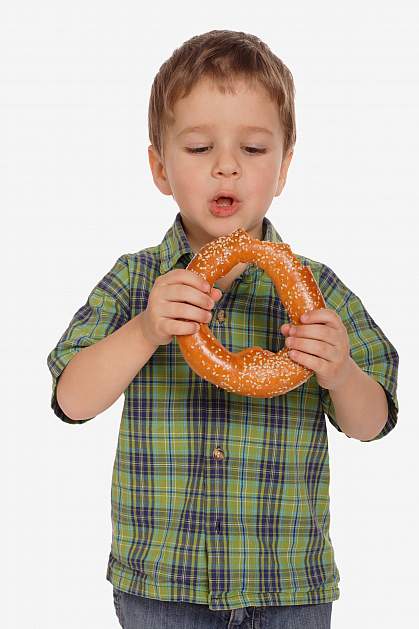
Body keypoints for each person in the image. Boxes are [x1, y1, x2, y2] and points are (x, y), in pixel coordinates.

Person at [47, 30, 399, 629]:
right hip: (160, 587)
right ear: (160, 167)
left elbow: (373, 422)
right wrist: (144, 332)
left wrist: (339, 371)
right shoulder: (136, 282)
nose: (227, 165)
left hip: (288, 586)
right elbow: (70, 401)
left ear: (284, 166)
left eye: (255, 149)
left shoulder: (319, 293)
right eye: (200, 146)